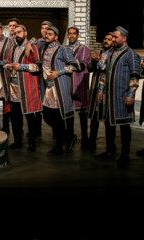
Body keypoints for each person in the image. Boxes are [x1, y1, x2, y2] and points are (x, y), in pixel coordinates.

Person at [97, 26, 141, 165]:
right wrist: (101, 89)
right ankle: (109, 151)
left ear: (124, 38)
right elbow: (104, 73)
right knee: (109, 124)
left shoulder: (131, 54)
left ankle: (125, 154)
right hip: (110, 96)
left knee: (124, 126)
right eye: (113, 37)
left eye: (116, 37)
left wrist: (131, 94)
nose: (113, 39)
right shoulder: (111, 53)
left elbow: (135, 75)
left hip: (122, 96)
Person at [40, 26, 79, 154]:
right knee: (46, 115)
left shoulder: (63, 49)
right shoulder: (44, 48)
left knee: (58, 116)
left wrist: (59, 72)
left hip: (59, 86)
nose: (46, 35)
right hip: (48, 87)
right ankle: (68, 136)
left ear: (56, 37)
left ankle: (59, 146)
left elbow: (74, 65)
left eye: (50, 34)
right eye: (46, 33)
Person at [5, 25, 42, 152]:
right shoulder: (13, 48)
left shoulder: (33, 47)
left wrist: (22, 67)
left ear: (25, 33)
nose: (17, 35)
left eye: (19, 32)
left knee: (30, 117)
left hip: (27, 86)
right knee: (15, 116)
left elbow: (38, 67)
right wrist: (7, 66)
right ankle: (17, 141)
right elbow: (8, 62)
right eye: (15, 33)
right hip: (14, 86)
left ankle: (32, 143)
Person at [87, 32, 114, 149]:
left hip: (107, 90)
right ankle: (91, 142)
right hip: (95, 87)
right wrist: (93, 61)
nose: (106, 41)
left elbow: (109, 70)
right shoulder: (100, 53)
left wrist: (99, 62)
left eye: (109, 39)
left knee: (107, 119)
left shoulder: (114, 55)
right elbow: (89, 69)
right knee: (94, 117)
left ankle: (110, 147)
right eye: (105, 38)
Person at [66, 27, 91, 148]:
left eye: (74, 34)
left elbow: (82, 65)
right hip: (67, 84)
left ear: (78, 35)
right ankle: (70, 136)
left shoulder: (84, 49)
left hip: (79, 83)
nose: (71, 36)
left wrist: (68, 64)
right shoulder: (64, 48)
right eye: (69, 34)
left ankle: (85, 138)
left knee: (82, 112)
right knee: (68, 112)